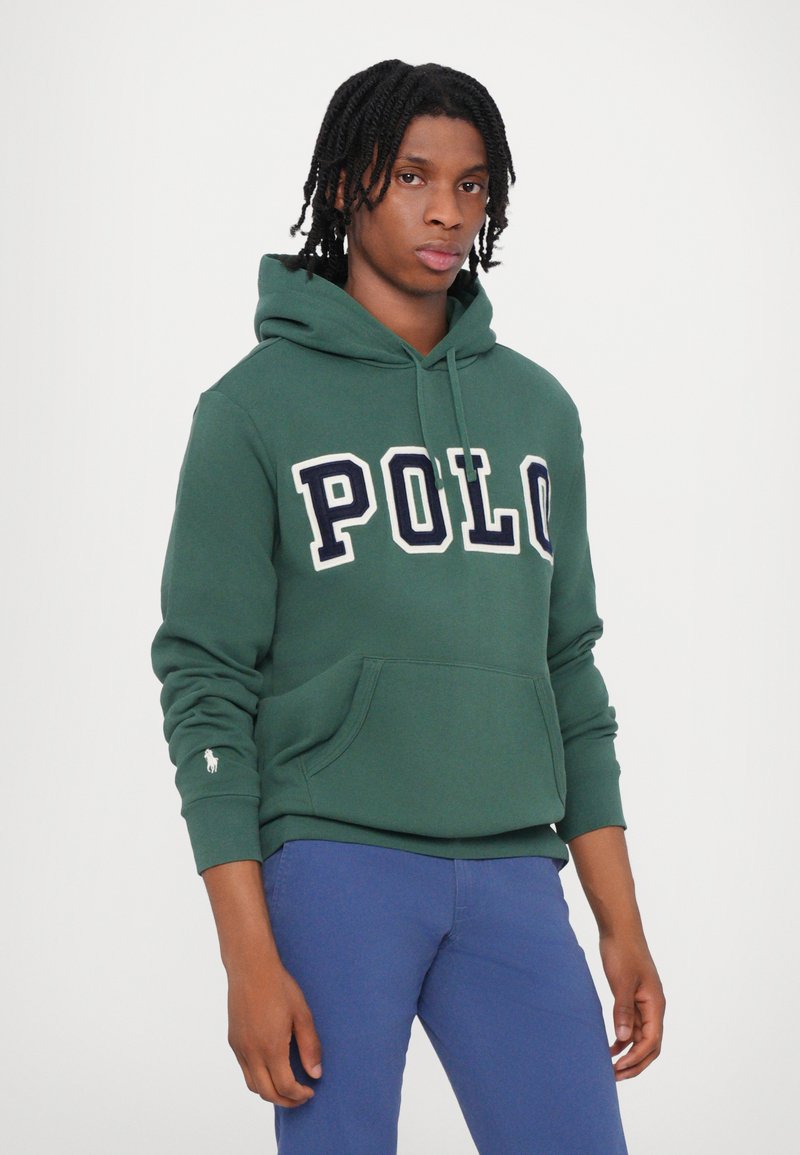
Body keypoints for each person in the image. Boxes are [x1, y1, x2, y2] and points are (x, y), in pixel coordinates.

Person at [151, 58, 665, 1154]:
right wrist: (248, 954)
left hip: (515, 868)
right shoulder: (251, 411)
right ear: (347, 185)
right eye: (413, 177)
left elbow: (568, 666)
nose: (447, 212)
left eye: (472, 185)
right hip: (333, 865)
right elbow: (204, 684)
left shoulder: (536, 411)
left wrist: (618, 921)